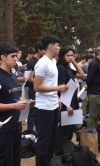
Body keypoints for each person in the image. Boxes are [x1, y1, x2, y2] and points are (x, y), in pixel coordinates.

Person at [0, 42, 30, 166]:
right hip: (3, 129)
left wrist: (24, 102)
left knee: (15, 160)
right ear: (2, 57)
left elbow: (14, 97)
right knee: (4, 162)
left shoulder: (13, 76)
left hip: (16, 126)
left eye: (16, 55)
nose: (16, 58)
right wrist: (14, 106)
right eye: (12, 56)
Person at [34, 35, 68, 166]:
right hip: (44, 107)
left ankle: (50, 162)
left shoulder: (53, 61)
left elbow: (50, 82)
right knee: (44, 139)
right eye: (58, 45)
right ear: (51, 46)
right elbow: (37, 87)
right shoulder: (42, 63)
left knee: (53, 138)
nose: (59, 48)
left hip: (54, 105)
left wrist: (57, 97)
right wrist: (58, 88)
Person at [55, 46, 84, 156]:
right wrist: (67, 105)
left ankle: (65, 151)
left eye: (72, 55)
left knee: (69, 129)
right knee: (63, 129)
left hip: (72, 100)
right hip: (65, 102)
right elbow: (61, 87)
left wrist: (74, 62)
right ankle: (58, 153)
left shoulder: (67, 67)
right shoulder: (61, 68)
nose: (70, 57)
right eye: (68, 55)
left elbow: (81, 75)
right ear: (62, 56)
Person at [26, 41, 45, 131]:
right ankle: (30, 130)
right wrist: (39, 85)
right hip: (33, 89)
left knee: (38, 110)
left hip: (37, 89)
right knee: (32, 111)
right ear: (39, 50)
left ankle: (38, 129)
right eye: (44, 49)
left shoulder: (39, 61)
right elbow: (30, 78)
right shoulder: (32, 62)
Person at [86, 47, 100, 128]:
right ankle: (89, 133)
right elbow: (89, 79)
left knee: (98, 115)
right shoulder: (94, 63)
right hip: (94, 93)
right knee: (93, 115)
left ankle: (95, 132)